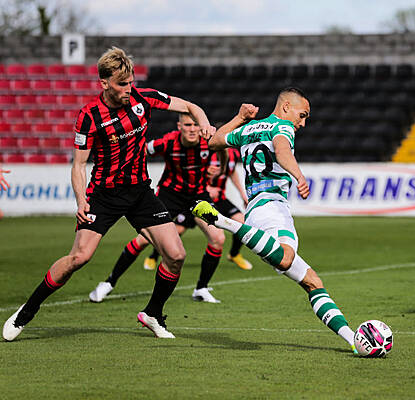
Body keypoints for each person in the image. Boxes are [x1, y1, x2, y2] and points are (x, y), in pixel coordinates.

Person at [3, 47, 216, 341]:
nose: (129, 89)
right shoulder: (89, 116)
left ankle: (153, 313)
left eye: (131, 82)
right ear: (104, 83)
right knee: (79, 257)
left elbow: (191, 106)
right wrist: (81, 200)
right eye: (122, 84)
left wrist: (203, 122)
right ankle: (27, 310)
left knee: (176, 254)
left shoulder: (143, 98)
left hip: (140, 192)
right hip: (103, 195)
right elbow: (78, 165)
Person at [191, 87, 357, 353]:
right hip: (271, 209)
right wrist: (298, 175)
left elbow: (214, 141)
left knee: (313, 282)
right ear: (286, 107)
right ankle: (224, 221)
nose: (302, 123)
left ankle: (353, 340)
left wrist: (239, 117)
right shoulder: (283, 128)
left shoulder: (250, 128)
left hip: (258, 209)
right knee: (286, 257)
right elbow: (281, 150)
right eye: (302, 115)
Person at [88, 106, 257, 305]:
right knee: (142, 241)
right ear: (180, 127)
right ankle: (109, 282)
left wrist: (217, 171)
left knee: (217, 238)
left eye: (195, 124)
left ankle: (201, 288)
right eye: (187, 125)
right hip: (169, 196)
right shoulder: (168, 141)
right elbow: (140, 151)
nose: (193, 129)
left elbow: (224, 152)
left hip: (197, 195)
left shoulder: (206, 140)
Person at [142, 147, 253, 272]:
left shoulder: (233, 153)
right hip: (197, 197)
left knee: (243, 223)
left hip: (220, 199)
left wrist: (243, 195)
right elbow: (192, 173)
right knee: (175, 231)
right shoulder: (204, 151)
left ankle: (234, 254)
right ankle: (154, 256)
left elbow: (232, 172)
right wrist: (208, 188)